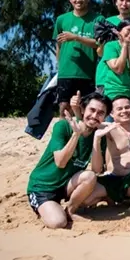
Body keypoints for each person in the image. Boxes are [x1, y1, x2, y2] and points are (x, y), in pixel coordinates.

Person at [26, 92, 111, 228]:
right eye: (92, 110)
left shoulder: (98, 135)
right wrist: (76, 134)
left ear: (105, 117)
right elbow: (60, 162)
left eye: (100, 113)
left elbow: (96, 170)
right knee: (58, 222)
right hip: (43, 186)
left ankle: (70, 210)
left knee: (90, 178)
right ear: (83, 109)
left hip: (67, 185)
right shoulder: (63, 126)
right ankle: (47, 208)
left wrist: (97, 139)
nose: (95, 116)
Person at [54, 0, 104, 117]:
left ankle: (83, 136)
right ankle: (64, 135)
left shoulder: (98, 19)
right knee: (64, 106)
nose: (78, 0)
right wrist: (61, 65)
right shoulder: (61, 19)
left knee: (86, 108)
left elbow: (99, 44)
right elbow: (58, 45)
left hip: (88, 73)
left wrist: (76, 37)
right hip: (66, 73)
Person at [95, 17, 130, 117]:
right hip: (113, 94)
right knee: (111, 129)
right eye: (129, 30)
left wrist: (129, 48)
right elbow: (118, 68)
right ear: (119, 31)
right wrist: (124, 47)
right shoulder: (110, 46)